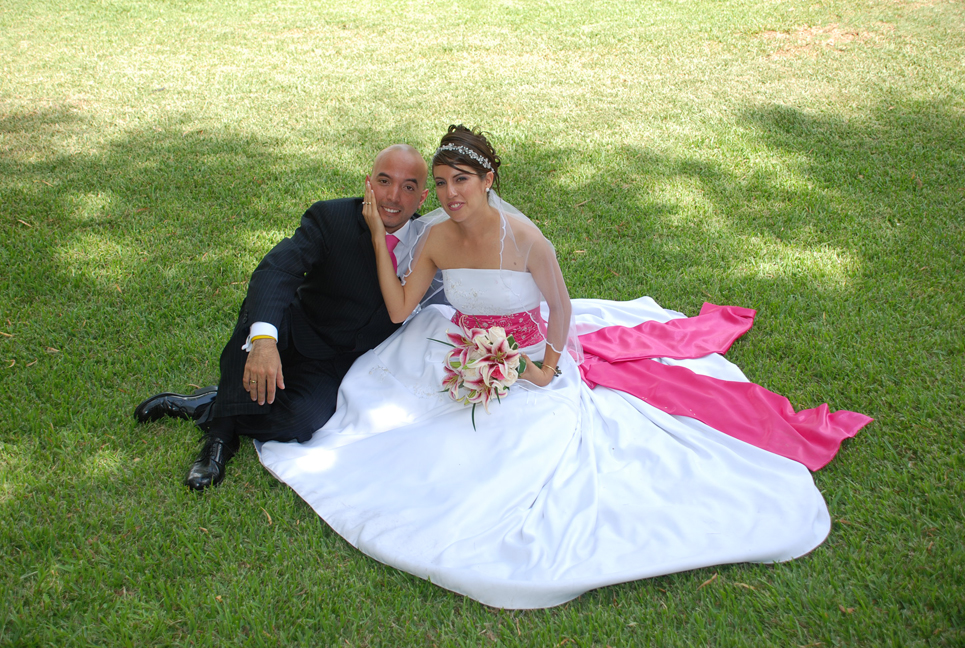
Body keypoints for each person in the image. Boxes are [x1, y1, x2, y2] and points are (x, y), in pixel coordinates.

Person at [256, 126, 870, 609]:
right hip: (461, 346)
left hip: (527, 358)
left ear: (489, 179)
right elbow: (397, 309)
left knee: (514, 446)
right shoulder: (437, 240)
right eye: (440, 184)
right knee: (393, 422)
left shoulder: (526, 239)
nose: (449, 195)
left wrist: (547, 365)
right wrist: (372, 236)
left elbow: (560, 305)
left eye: (461, 180)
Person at [134, 144, 433, 491]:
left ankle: (214, 401)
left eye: (408, 187)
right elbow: (276, 270)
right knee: (258, 318)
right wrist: (263, 341)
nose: (393, 196)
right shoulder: (331, 217)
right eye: (384, 181)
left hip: (338, 364)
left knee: (301, 421)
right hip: (296, 328)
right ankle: (220, 436)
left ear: (423, 197)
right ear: (368, 183)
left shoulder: (428, 245)